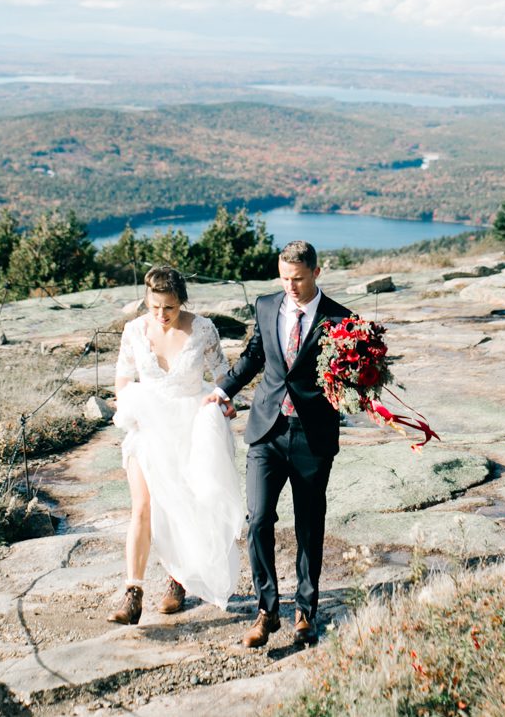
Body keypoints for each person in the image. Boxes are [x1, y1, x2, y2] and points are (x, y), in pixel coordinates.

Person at [213, 240, 349, 648]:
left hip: (313, 436)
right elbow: (256, 354)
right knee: (257, 521)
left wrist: (363, 382)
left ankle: (306, 610)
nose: (290, 286)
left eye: (298, 278)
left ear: (316, 274)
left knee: (309, 527)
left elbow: (353, 376)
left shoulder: (340, 318)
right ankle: (266, 610)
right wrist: (224, 390)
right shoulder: (267, 305)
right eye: (284, 277)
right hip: (266, 431)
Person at [106, 265, 243, 624]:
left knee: (186, 505)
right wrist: (129, 407)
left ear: (181, 301)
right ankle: (132, 594)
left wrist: (224, 402)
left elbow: (222, 377)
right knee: (143, 507)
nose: (161, 315)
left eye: (168, 307)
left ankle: (177, 581)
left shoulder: (203, 330)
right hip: (148, 428)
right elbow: (122, 381)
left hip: (191, 427)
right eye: (154, 307)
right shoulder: (134, 330)